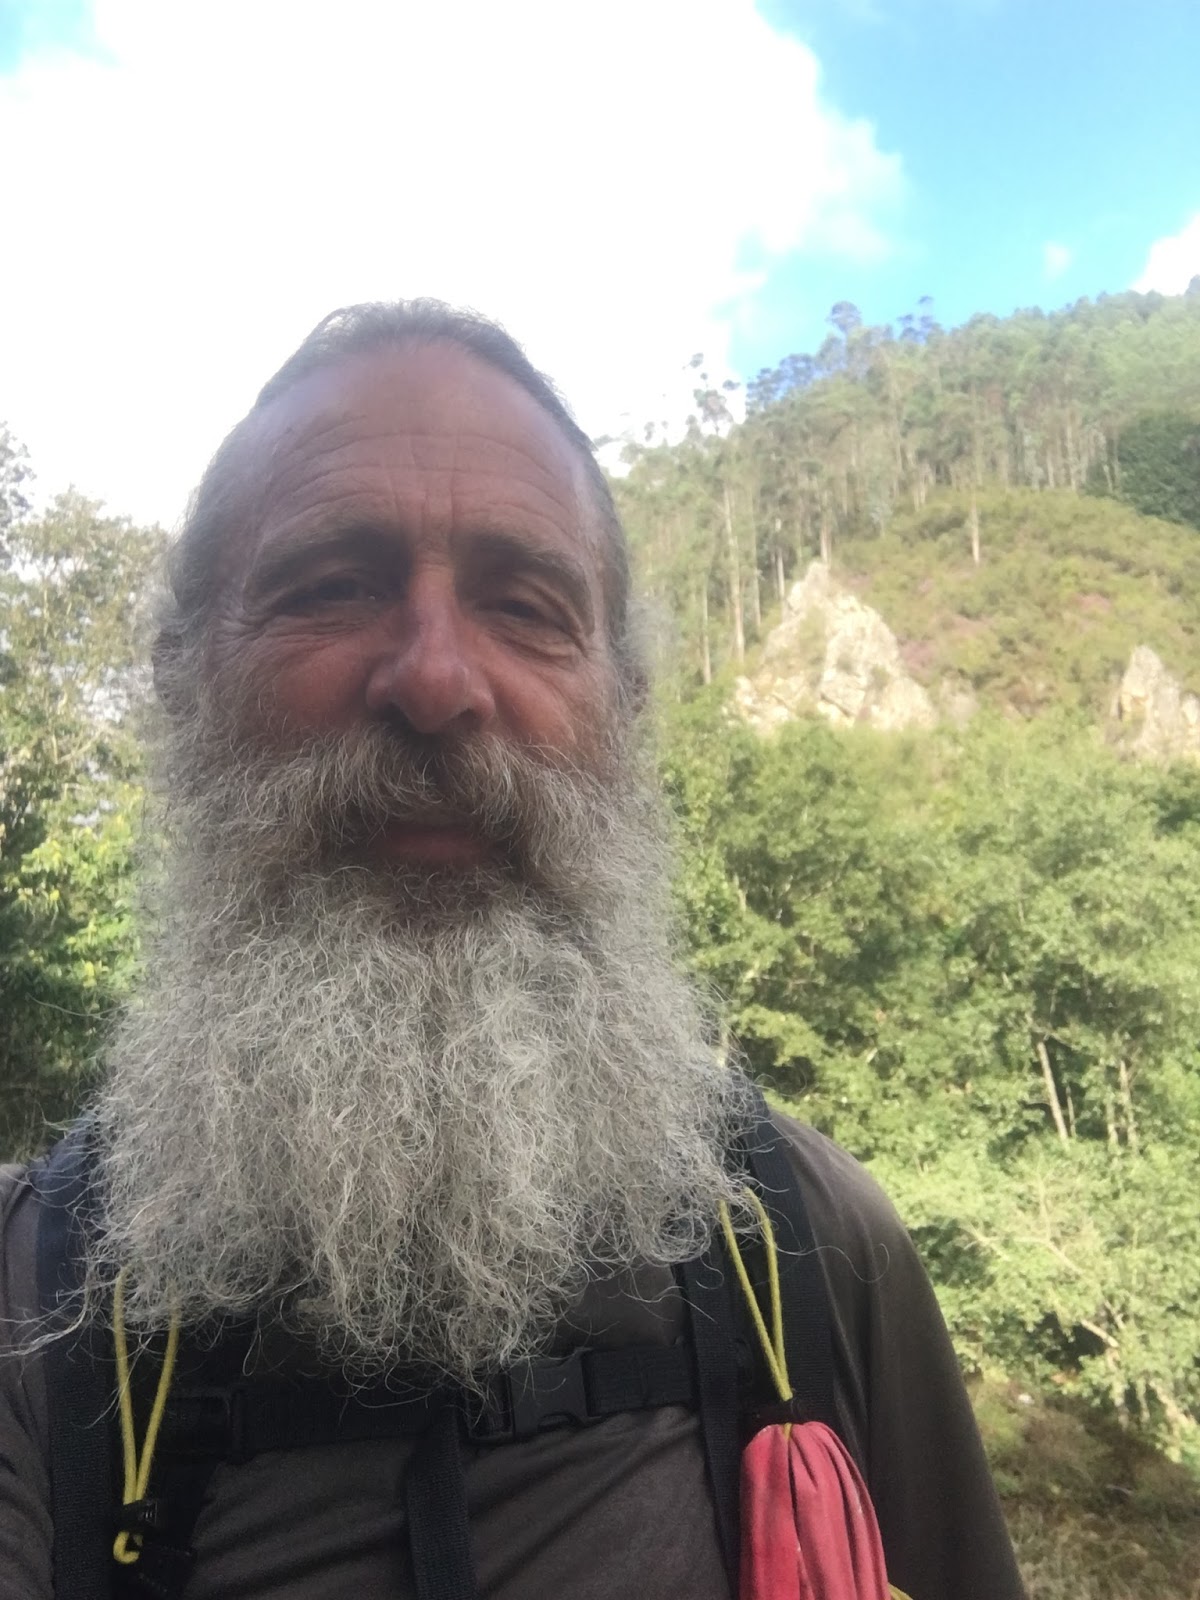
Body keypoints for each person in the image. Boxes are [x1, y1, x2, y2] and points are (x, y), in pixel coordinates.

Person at [0, 300, 1027, 1600]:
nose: (437, 681)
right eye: (333, 587)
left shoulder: (816, 1250)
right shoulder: (31, 1303)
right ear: (181, 677)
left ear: (624, 708)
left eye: (528, 606)